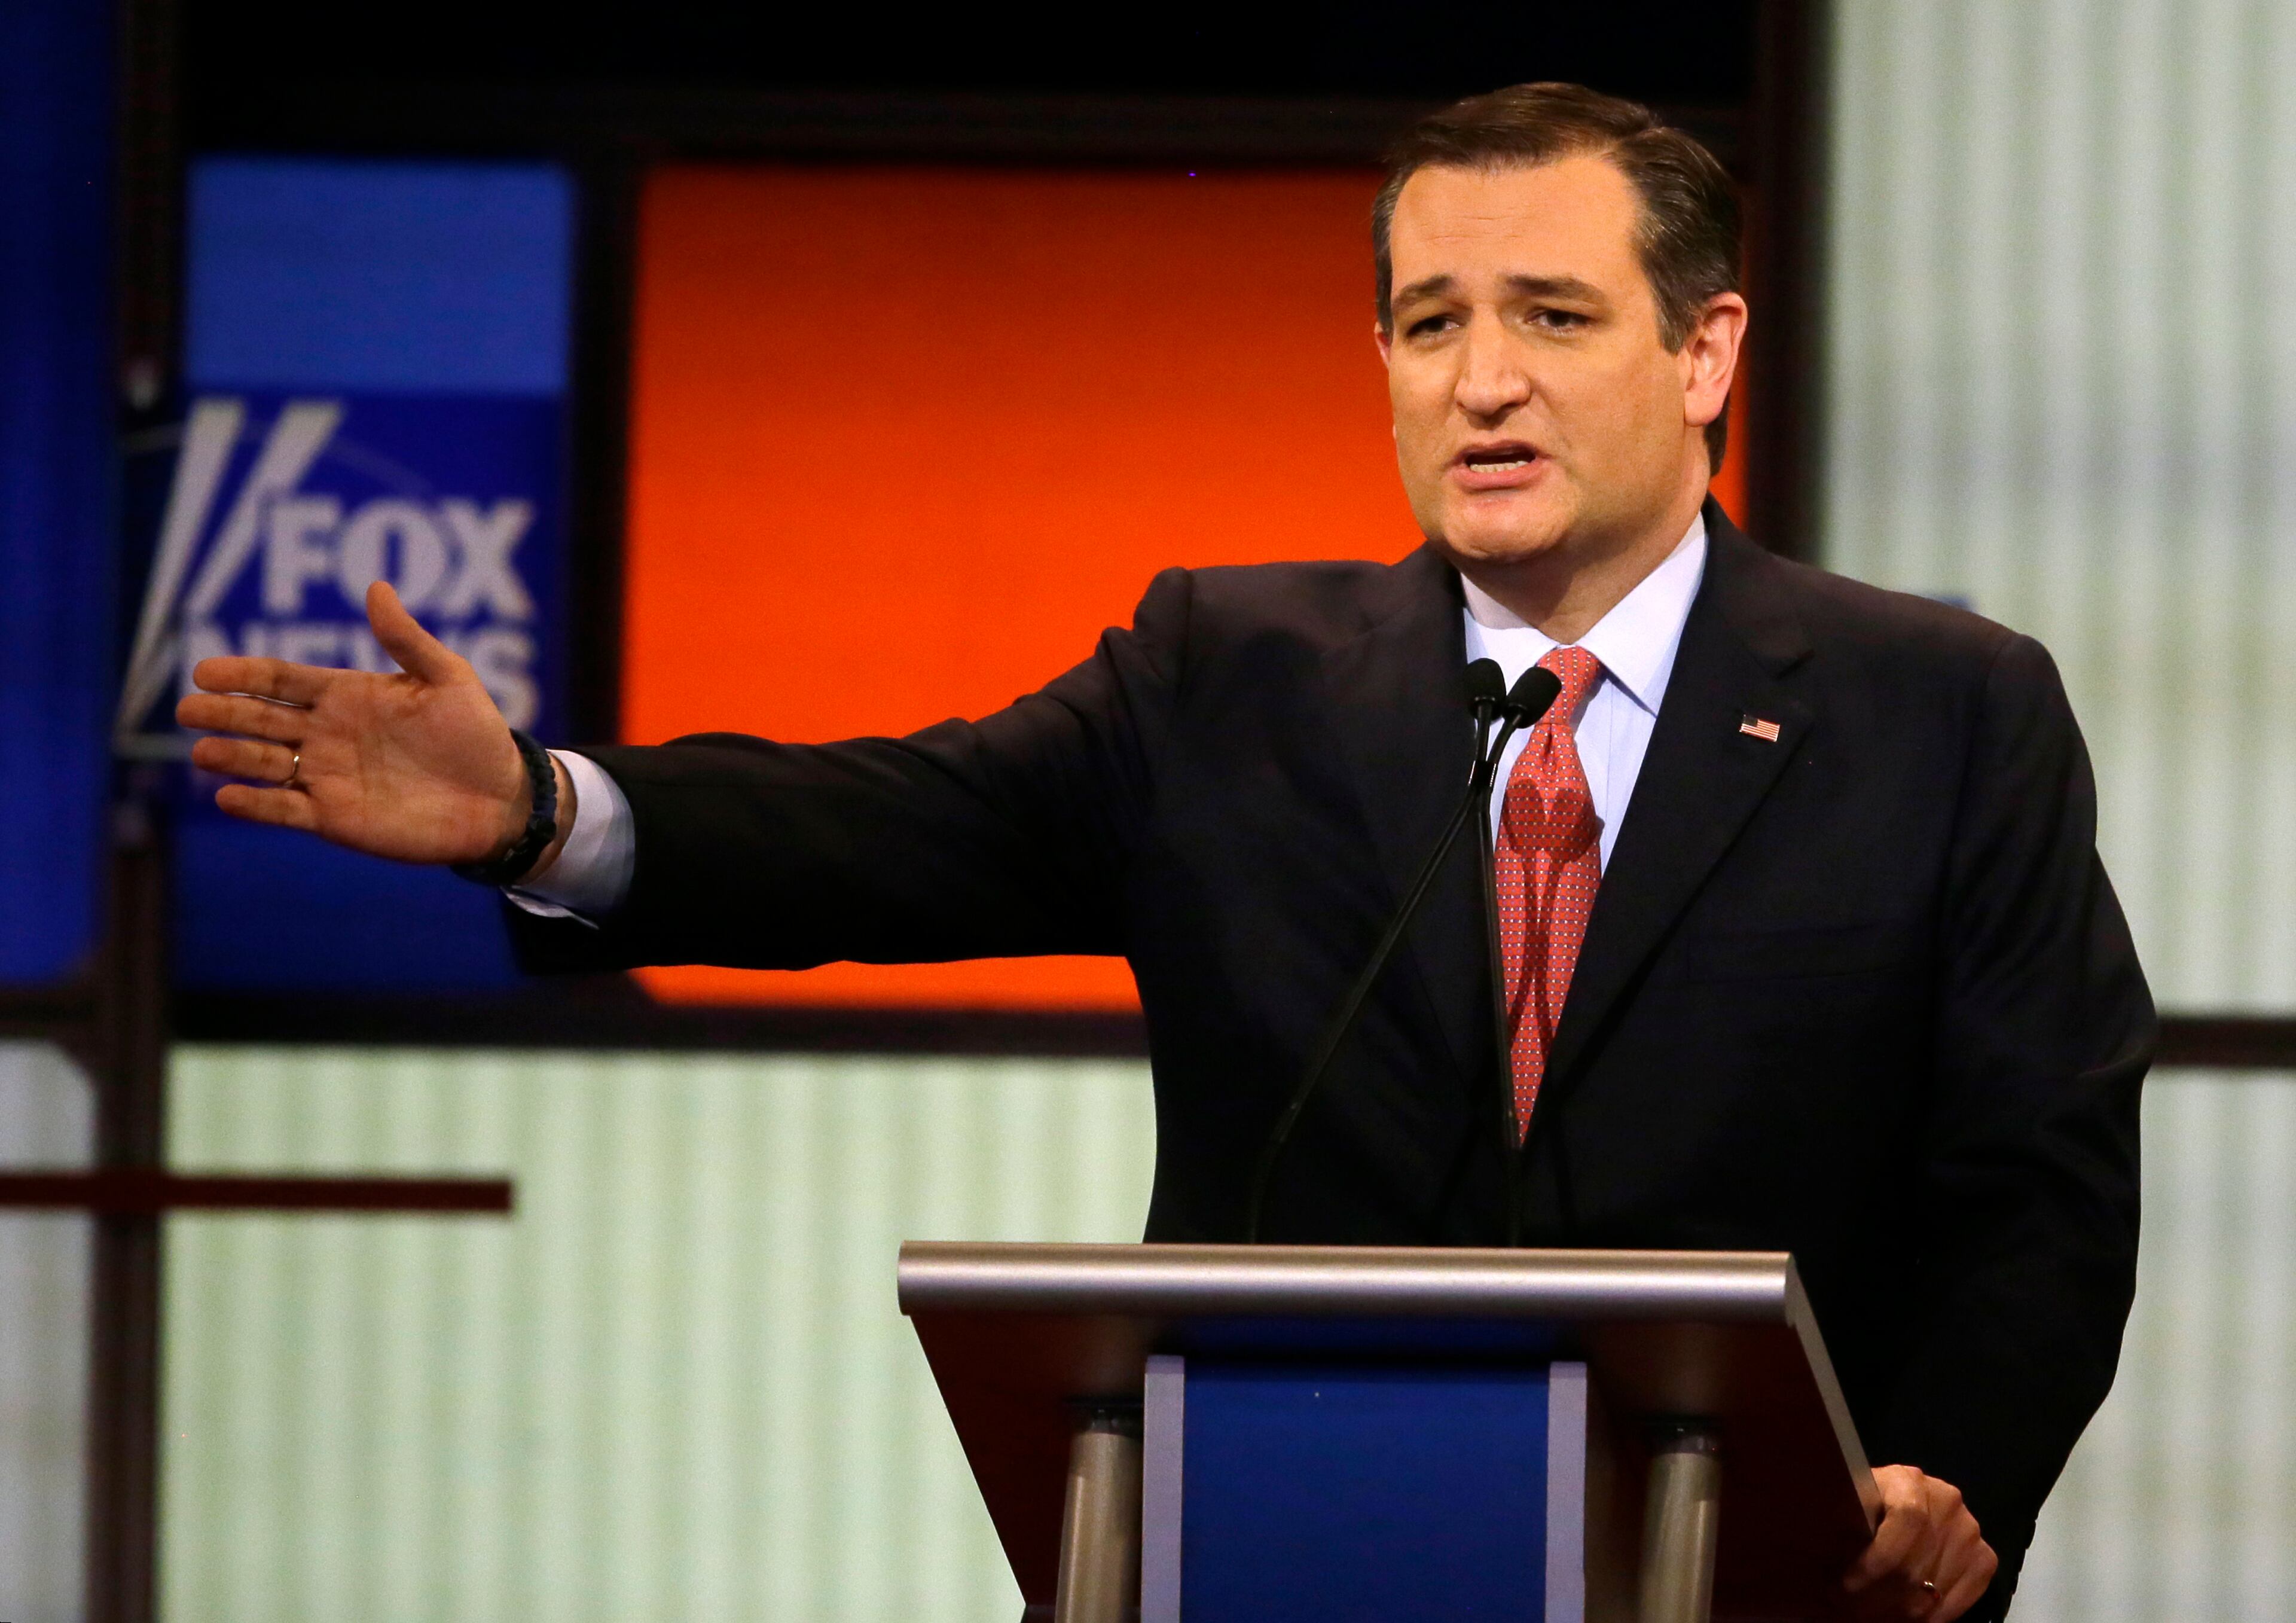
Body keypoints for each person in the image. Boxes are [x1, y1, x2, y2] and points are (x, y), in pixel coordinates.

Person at [178, 83, 2151, 1622]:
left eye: (1554, 316)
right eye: (1428, 320)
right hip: (1282, 1552)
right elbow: (895, 832)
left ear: (1706, 353)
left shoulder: (1940, 708)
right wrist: (544, 805)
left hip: (1758, 1578)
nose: (1480, 380)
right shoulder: (1235, 674)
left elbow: (2040, 1172)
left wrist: (1958, 1471)